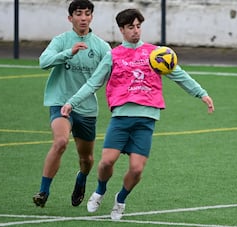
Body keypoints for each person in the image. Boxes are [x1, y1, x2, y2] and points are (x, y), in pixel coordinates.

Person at [60, 8, 214, 220]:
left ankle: (120, 200)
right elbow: (93, 83)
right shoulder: (112, 55)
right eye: (130, 27)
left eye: (138, 26)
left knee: (137, 170)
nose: (135, 31)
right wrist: (71, 103)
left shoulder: (156, 54)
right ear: (122, 29)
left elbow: (180, 75)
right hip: (121, 119)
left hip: (146, 120)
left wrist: (201, 94)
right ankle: (100, 191)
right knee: (106, 163)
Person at [33, 0, 111, 208]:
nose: (83, 17)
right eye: (78, 13)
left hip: (86, 109)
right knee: (60, 142)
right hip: (60, 103)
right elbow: (44, 62)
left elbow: (111, 75)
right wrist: (69, 52)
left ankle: (81, 179)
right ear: (70, 18)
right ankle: (43, 191)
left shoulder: (102, 47)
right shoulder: (61, 40)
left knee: (87, 160)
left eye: (87, 13)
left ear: (92, 17)